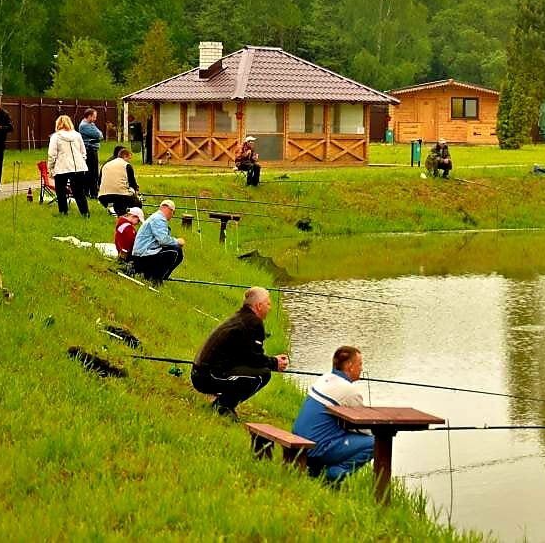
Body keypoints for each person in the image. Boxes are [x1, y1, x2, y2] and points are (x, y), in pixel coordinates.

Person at [191, 287, 289, 420]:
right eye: (268, 303)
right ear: (259, 306)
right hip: (207, 376)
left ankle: (223, 403)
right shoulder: (253, 323)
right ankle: (224, 406)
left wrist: (272, 361)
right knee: (262, 374)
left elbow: (247, 356)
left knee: (259, 371)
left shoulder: (241, 317)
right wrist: (275, 363)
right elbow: (255, 360)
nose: (270, 308)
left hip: (201, 373)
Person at [292, 346, 375, 483]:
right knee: (376, 442)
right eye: (360, 364)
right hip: (315, 449)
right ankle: (335, 474)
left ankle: (315, 472)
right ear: (350, 366)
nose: (361, 368)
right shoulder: (350, 391)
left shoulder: (324, 379)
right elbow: (364, 428)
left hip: (299, 440)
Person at [131, 199, 185, 283]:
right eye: (173, 213)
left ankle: (157, 277)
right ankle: (156, 278)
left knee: (175, 250)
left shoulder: (155, 217)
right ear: (170, 210)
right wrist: (177, 241)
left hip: (142, 254)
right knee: (176, 251)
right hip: (143, 256)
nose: (172, 216)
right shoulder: (159, 218)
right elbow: (163, 240)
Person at [47, 115, 91, 217]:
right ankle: (85, 213)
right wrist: (81, 161)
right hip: (78, 167)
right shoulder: (77, 135)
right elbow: (83, 152)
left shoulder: (56, 136)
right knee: (79, 191)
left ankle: (63, 212)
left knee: (60, 191)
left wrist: (51, 167)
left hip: (62, 166)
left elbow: (52, 154)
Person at [99, 148, 142, 214]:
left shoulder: (106, 164)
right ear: (125, 156)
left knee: (119, 200)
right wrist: (136, 190)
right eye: (129, 158)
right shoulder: (126, 165)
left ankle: (117, 212)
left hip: (103, 196)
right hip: (120, 195)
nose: (129, 161)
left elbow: (100, 181)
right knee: (137, 203)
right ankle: (132, 216)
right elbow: (132, 183)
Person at [78, 108, 104, 198]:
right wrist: (98, 136)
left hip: (93, 150)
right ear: (88, 116)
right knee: (91, 173)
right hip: (89, 151)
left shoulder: (91, 124)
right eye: (94, 117)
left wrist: (98, 135)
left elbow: (101, 134)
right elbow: (98, 135)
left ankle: (91, 191)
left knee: (94, 172)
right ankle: (92, 193)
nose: (95, 119)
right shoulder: (84, 126)